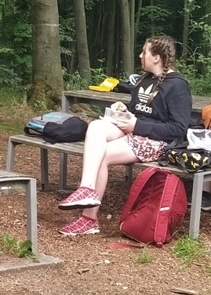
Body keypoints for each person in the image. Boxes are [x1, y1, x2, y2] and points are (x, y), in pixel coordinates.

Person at [58, 35, 192, 236]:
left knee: (102, 155)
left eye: (144, 52)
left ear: (157, 57)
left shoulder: (178, 85)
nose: (140, 55)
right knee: (95, 126)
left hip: (157, 141)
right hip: (135, 129)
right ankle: (86, 189)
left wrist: (137, 125)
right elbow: (140, 111)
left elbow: (178, 129)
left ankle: (88, 220)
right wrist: (124, 111)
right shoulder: (145, 79)